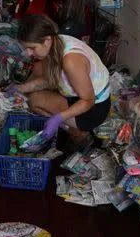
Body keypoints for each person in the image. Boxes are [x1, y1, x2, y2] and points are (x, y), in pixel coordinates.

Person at [12, 14, 111, 143]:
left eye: (32, 48)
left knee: (35, 101)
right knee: (37, 69)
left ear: (47, 40)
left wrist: (59, 118)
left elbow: (88, 101)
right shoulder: (57, 41)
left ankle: (76, 131)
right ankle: (68, 124)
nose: (29, 53)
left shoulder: (71, 61)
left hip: (93, 109)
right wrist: (19, 88)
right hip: (80, 95)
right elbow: (49, 79)